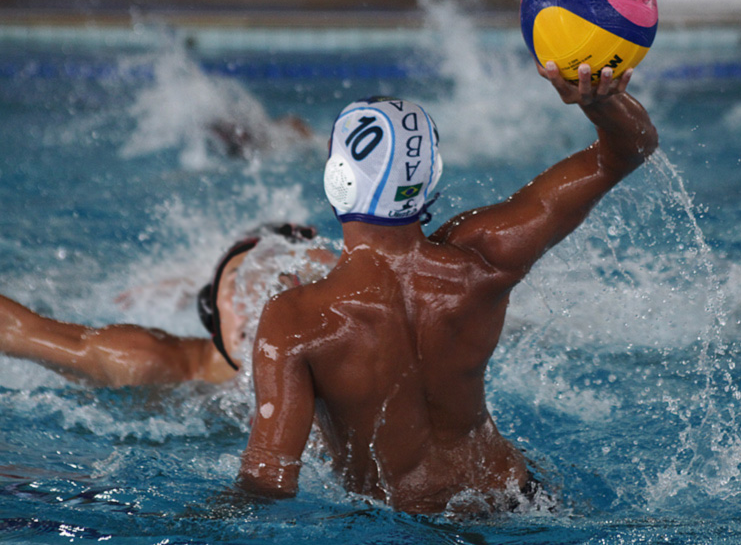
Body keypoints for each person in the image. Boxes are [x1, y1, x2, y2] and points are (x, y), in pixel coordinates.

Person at [236, 62, 658, 515]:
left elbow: (269, 482)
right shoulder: (484, 258)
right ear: (429, 175)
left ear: (337, 177)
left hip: (408, 523)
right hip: (516, 500)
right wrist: (601, 100)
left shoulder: (296, 319)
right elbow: (628, 149)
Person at [0, 223, 333, 387]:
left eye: (277, 287)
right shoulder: (146, 362)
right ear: (210, 309)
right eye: (241, 283)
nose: (256, 305)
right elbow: (16, 330)